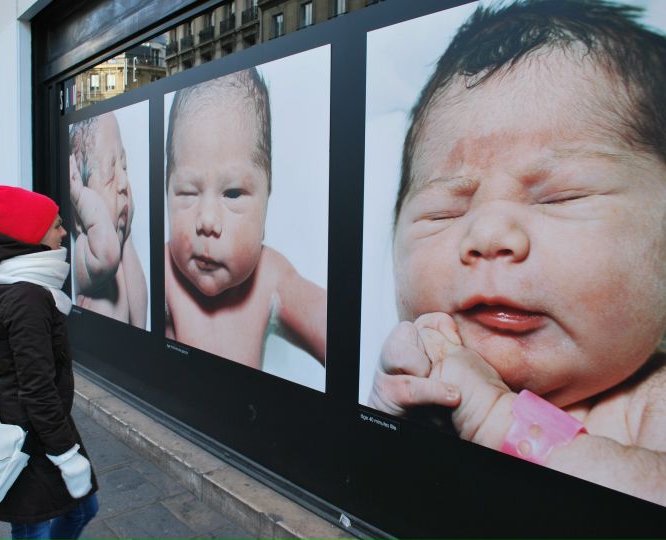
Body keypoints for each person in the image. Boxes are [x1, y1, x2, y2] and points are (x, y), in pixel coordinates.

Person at [367, 0, 666, 506]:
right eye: (443, 211)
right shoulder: (429, 386)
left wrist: (495, 417)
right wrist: (386, 415)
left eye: (560, 198)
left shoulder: (652, 400)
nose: (487, 235)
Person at [165, 68, 327, 369]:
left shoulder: (271, 277)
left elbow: (339, 331)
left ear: (267, 199)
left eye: (234, 194)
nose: (207, 221)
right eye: (187, 192)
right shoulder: (164, 275)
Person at [0, 184, 99, 539]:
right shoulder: (27, 297)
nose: (64, 232)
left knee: (80, 509)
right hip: (30, 435)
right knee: (40, 526)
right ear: (33, 233)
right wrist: (65, 452)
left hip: (36, 425)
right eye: (57, 225)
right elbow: (37, 387)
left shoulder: (20, 283)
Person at [69, 111, 148, 328]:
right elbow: (109, 254)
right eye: (110, 174)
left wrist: (127, 232)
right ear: (79, 214)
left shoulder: (123, 250)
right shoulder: (85, 251)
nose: (123, 182)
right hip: (96, 357)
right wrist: (79, 196)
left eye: (124, 167)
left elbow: (139, 303)